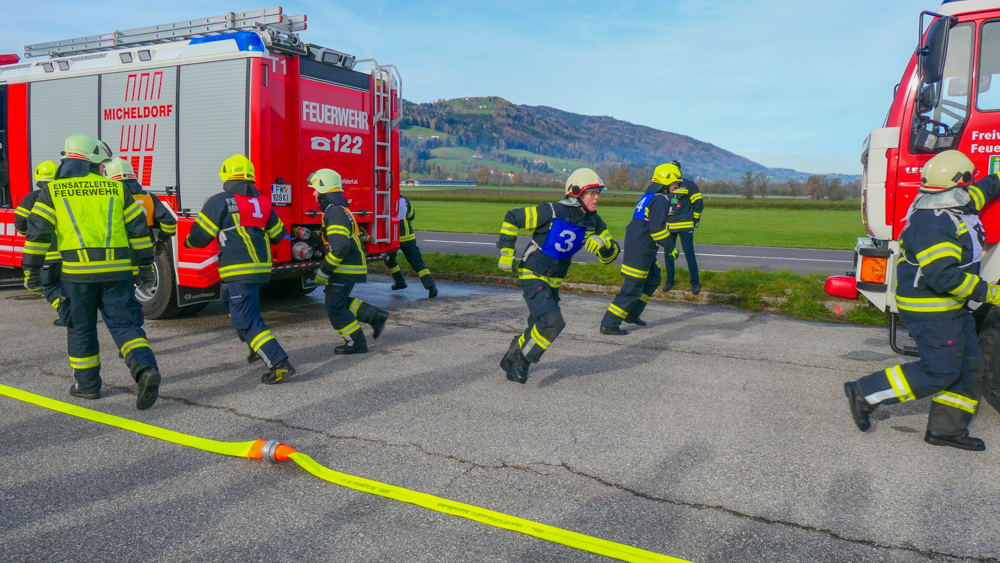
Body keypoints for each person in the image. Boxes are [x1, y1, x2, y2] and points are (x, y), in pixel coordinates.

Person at [845, 150, 1000, 451]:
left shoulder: (955, 201)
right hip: (931, 310)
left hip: (951, 307)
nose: (973, 186)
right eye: (970, 181)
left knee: (968, 366)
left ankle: (946, 430)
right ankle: (865, 392)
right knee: (939, 371)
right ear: (961, 182)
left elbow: (985, 189)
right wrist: (992, 294)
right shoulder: (933, 223)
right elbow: (944, 278)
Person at [23, 134, 161, 409]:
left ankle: (87, 387)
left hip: (77, 275)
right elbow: (139, 232)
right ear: (90, 161)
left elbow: (37, 236)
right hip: (118, 272)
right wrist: (146, 267)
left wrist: (32, 272)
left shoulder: (53, 191)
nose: (102, 168)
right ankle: (145, 370)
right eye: (101, 164)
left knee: (80, 328)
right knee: (125, 325)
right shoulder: (117, 189)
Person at [497, 168, 620, 383]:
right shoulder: (551, 211)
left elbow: (610, 255)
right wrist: (507, 253)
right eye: (592, 193)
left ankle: (511, 356)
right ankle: (523, 361)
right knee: (553, 322)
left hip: (553, 281)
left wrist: (604, 244)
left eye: (598, 193)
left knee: (538, 324)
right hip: (533, 273)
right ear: (576, 192)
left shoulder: (594, 221)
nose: (597, 197)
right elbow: (512, 218)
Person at [184, 155, 295, 384]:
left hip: (239, 269)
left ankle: (278, 363)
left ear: (226, 175)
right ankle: (256, 345)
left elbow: (200, 237)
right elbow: (277, 236)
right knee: (231, 303)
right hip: (260, 269)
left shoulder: (219, 201)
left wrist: (188, 242)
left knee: (247, 319)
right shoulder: (264, 202)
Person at [309, 168, 389, 354]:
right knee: (339, 300)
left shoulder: (334, 212)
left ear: (324, 190)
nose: (313, 194)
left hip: (345, 267)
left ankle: (356, 342)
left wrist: (325, 270)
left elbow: (340, 247)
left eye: (315, 190)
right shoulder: (338, 209)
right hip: (349, 266)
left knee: (334, 307)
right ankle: (375, 317)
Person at [600, 163, 680, 335]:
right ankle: (609, 324)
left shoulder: (649, 195)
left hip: (639, 244)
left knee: (653, 278)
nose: (676, 186)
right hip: (641, 248)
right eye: (674, 182)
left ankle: (632, 313)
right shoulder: (661, 199)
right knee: (631, 288)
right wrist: (671, 248)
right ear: (666, 181)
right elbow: (657, 231)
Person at [15, 160, 63, 324]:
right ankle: (74, 313)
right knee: (69, 286)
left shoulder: (32, 198)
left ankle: (66, 313)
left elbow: (21, 224)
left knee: (49, 286)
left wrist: (28, 232)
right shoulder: (64, 196)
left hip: (45, 253)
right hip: (70, 252)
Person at [104, 158, 177, 245]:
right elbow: (169, 223)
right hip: (146, 248)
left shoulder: (110, 199)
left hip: (120, 247)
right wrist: (161, 240)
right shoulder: (149, 197)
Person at [662, 160, 704, 295]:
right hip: (670, 226)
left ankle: (695, 283)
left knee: (689, 253)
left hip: (686, 226)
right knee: (669, 254)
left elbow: (698, 203)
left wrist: (695, 219)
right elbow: (660, 203)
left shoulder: (689, 185)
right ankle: (669, 281)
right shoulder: (665, 186)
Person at [385, 194, 438, 298]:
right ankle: (431, 286)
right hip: (408, 236)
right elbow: (411, 215)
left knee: (389, 259)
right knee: (417, 262)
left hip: (393, 236)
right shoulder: (404, 199)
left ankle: (400, 281)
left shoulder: (385, 197)